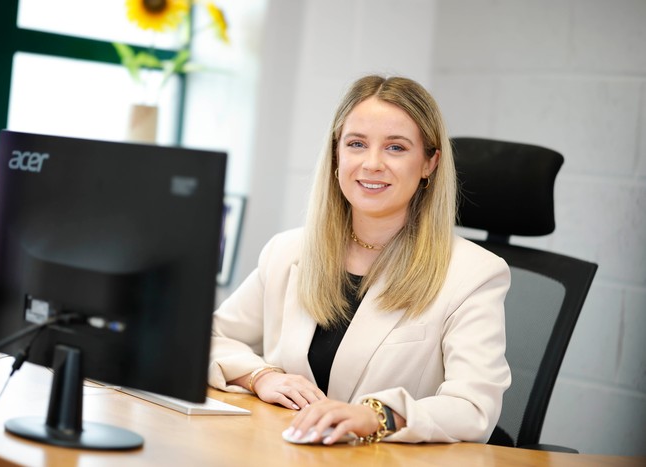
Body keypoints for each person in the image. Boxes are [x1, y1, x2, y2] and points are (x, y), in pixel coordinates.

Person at [208, 75, 511, 446]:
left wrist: (374, 414)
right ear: (337, 155)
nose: (371, 164)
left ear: (429, 163)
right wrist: (261, 376)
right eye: (356, 144)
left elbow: (473, 407)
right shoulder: (288, 251)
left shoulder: (474, 274)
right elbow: (211, 337)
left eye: (396, 148)